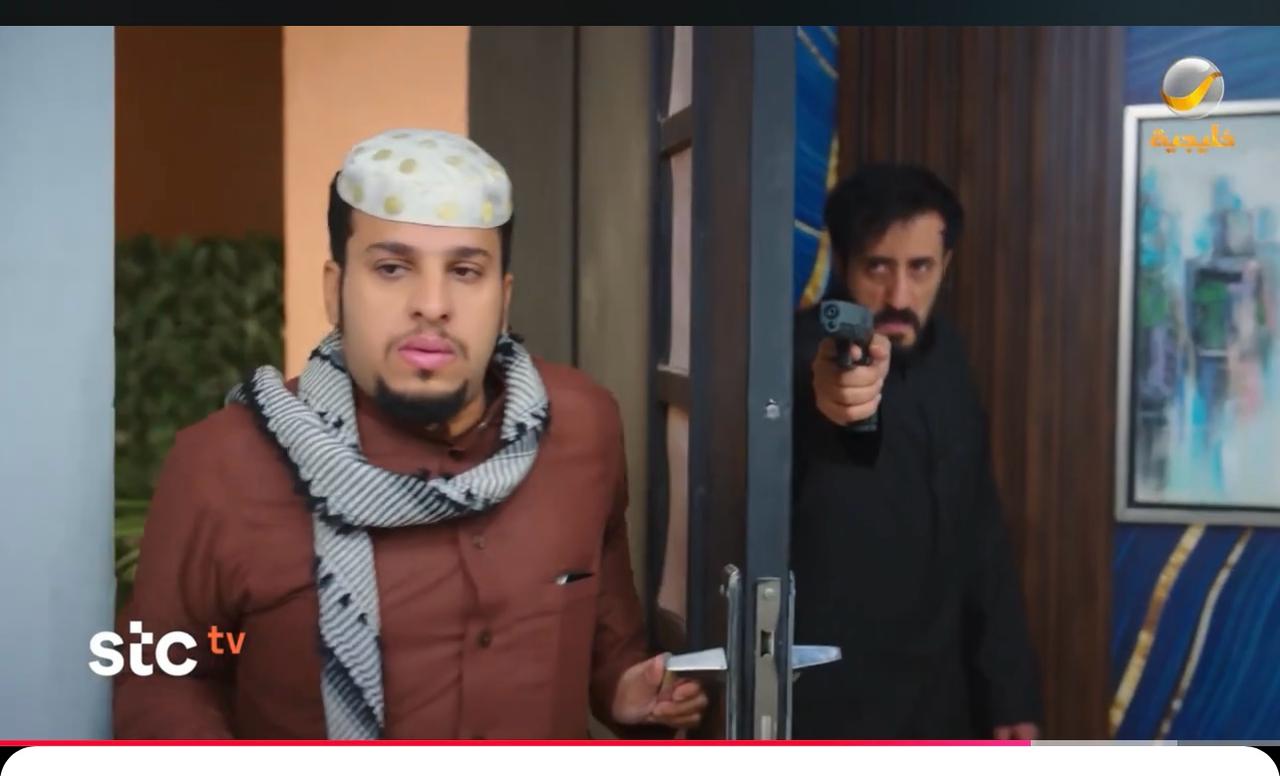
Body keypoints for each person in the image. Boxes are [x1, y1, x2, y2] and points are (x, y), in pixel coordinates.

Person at [113, 128, 706, 739]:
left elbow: (607, 637)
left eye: (465, 271)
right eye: (392, 268)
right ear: (335, 289)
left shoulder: (581, 425)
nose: (432, 303)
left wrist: (625, 690)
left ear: (503, 299)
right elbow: (155, 676)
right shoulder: (228, 460)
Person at [790, 163, 1043, 740]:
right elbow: (838, 404)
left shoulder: (949, 356)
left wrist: (1009, 692)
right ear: (844, 264)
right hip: (831, 714)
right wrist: (845, 396)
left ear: (946, 264)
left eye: (920, 267)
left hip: (943, 702)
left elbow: (981, 531)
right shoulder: (803, 358)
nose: (899, 296)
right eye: (878, 267)